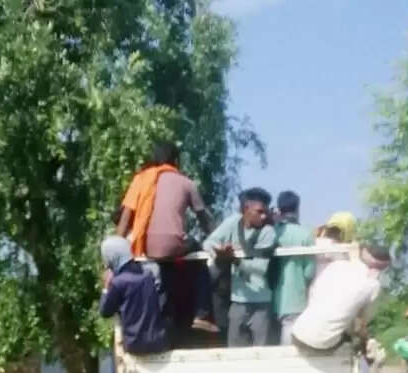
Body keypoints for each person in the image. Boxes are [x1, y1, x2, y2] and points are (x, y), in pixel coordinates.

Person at [115, 142, 217, 335]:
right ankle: (203, 314)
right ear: (176, 161)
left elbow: (125, 218)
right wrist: (218, 239)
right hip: (173, 245)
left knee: (166, 265)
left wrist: (115, 252)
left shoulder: (140, 179)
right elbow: (204, 219)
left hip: (146, 247)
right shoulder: (186, 182)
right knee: (199, 252)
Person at [203, 188, 277, 347]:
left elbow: (260, 268)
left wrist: (235, 261)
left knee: (261, 355)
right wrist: (219, 251)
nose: (264, 216)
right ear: (246, 209)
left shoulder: (268, 232)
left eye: (265, 212)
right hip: (238, 301)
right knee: (235, 354)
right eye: (259, 212)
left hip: (261, 302)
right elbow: (208, 242)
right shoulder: (232, 223)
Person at [291, 244, 390, 352]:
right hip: (324, 344)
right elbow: (364, 321)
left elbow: (313, 291)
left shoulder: (337, 265)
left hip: (298, 333)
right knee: (351, 335)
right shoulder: (373, 285)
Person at [98, 236, 168, 355]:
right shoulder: (148, 275)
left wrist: (106, 286)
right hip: (158, 342)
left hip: (135, 345)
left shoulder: (118, 282)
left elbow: (105, 312)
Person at [272, 191, 315, 345]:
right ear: (297, 208)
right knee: (288, 349)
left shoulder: (271, 232)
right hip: (294, 298)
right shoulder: (306, 235)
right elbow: (309, 272)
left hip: (267, 298)